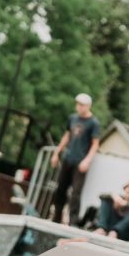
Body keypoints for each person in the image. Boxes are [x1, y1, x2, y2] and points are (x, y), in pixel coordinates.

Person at [49, 93, 100, 226]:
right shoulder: (72, 118)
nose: (79, 107)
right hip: (68, 158)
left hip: (80, 161)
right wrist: (56, 153)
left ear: (88, 106)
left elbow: (95, 144)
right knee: (60, 188)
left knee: (76, 192)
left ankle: (73, 221)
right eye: (78, 104)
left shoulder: (93, 123)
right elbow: (67, 136)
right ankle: (56, 217)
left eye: (82, 105)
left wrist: (87, 160)